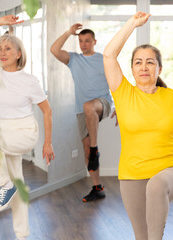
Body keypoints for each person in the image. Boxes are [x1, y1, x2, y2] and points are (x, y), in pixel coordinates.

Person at [103, 12, 173, 240]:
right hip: (132, 175)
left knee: (157, 186)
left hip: (170, 169)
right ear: (132, 69)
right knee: (142, 236)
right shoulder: (123, 93)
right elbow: (109, 55)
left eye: (150, 62)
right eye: (138, 62)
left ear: (159, 68)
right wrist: (132, 24)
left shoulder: (171, 97)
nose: (144, 67)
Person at [0, 15, 55, 240]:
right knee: (16, 184)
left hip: (25, 132)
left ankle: (4, 184)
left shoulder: (29, 80)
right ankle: (22, 234)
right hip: (3, 133)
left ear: (18, 54)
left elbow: (47, 111)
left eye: (8, 48)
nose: (1, 52)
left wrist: (47, 143)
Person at [50, 23, 113, 202]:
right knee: (86, 151)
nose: (83, 44)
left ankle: (95, 150)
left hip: (103, 103)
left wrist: (121, 107)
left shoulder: (103, 59)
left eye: (87, 41)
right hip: (82, 110)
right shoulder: (74, 60)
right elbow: (54, 49)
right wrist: (68, 32)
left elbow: (116, 83)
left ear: (94, 42)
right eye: (80, 41)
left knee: (89, 107)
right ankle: (97, 187)